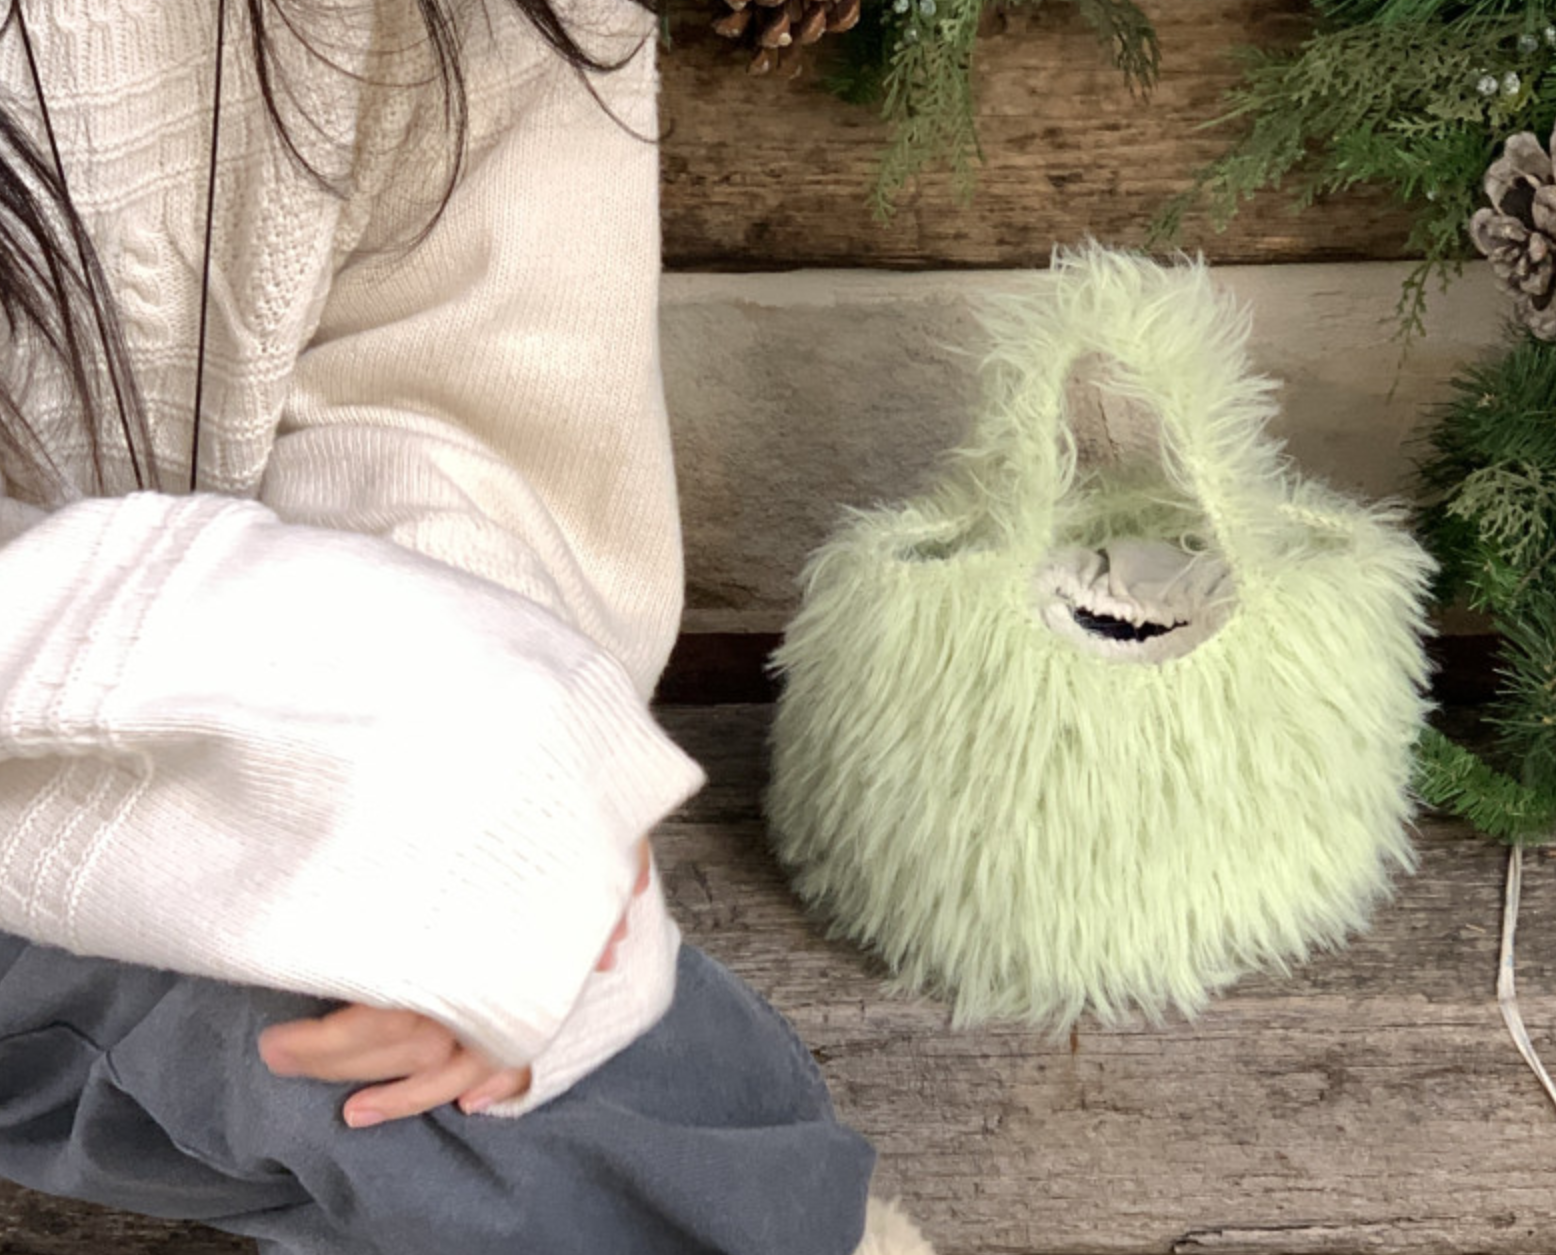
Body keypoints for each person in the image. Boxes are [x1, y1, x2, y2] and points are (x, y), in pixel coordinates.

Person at [0, 1, 936, 1251]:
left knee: (601, 1096)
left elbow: (460, 378)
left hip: (176, 759)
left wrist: (479, 785)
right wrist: (342, 722)